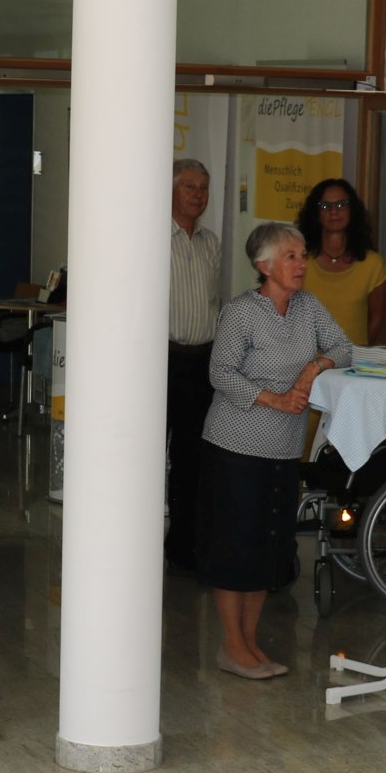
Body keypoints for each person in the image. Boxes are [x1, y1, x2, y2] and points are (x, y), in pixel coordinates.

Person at [201, 222, 351, 679]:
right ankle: (231, 645)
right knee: (236, 546)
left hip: (284, 449)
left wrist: (314, 366)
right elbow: (220, 373)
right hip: (235, 446)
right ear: (264, 266)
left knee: (268, 546)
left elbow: (344, 347)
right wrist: (275, 399)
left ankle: (249, 642)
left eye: (303, 255)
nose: (302, 263)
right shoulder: (241, 312)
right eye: (291, 256)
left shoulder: (308, 307)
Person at [166, 158, 224, 571]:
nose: (198, 195)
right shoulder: (152, 238)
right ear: (171, 190)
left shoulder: (211, 242)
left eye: (203, 188)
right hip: (161, 361)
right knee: (148, 456)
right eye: (189, 187)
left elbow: (214, 301)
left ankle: (184, 548)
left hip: (202, 362)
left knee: (193, 459)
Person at [297, 178, 386, 348]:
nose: (333, 211)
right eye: (325, 206)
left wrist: (353, 353)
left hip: (352, 361)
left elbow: (376, 319)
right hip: (307, 360)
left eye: (341, 205)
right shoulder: (300, 261)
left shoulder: (372, 264)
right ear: (316, 213)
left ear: (352, 210)